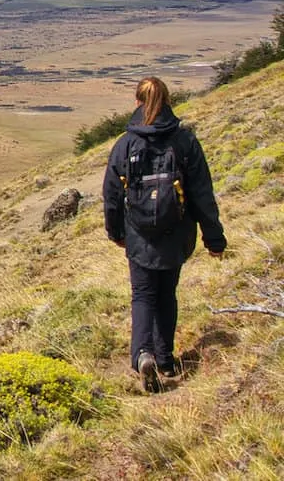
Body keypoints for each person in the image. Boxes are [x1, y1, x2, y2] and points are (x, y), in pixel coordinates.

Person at [102, 76, 226, 392]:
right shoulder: (185, 142)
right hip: (176, 233)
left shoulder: (125, 145)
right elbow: (201, 194)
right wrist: (214, 238)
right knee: (166, 294)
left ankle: (143, 354)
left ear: (137, 103)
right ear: (169, 101)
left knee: (143, 295)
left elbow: (112, 196)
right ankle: (166, 359)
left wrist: (115, 232)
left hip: (139, 235)